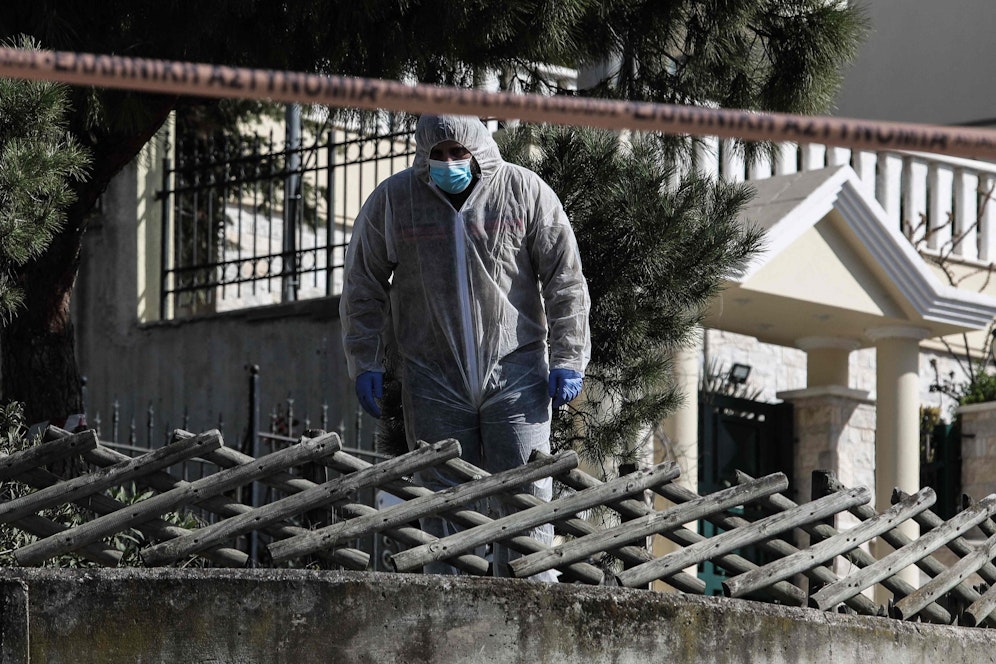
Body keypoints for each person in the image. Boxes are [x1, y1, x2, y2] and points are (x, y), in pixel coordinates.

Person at [340, 114, 590, 578]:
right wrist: (365, 360)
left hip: (516, 374)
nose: (448, 162)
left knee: (526, 503)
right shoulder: (396, 202)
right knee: (446, 510)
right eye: (438, 154)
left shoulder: (524, 192)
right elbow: (362, 285)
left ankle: (533, 619)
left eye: (458, 153)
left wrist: (568, 355)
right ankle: (455, 626)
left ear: (479, 152)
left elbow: (565, 278)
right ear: (422, 155)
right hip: (433, 379)